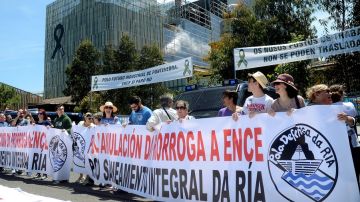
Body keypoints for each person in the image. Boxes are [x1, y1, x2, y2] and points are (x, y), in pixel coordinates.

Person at [329, 84, 359, 185]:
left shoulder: (325, 109)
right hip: (351, 141)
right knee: (355, 169)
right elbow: (354, 118)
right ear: (342, 95)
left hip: (335, 143)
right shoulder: (349, 105)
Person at [53, 104, 72, 184]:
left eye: (62, 109)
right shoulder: (56, 119)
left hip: (65, 142)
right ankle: (58, 177)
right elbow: (54, 129)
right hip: (57, 143)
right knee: (57, 160)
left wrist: (66, 130)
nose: (61, 110)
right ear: (56, 111)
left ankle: (64, 177)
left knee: (64, 160)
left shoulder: (66, 119)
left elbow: (71, 128)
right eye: (60, 109)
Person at [76, 112, 94, 185]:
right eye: (88, 117)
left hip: (89, 147)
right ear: (85, 117)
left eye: (90, 117)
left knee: (88, 162)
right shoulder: (80, 123)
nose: (89, 118)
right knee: (80, 160)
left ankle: (87, 177)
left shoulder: (93, 125)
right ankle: (81, 176)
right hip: (81, 144)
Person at [34, 109, 52, 180]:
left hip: (45, 144)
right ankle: (38, 173)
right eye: (39, 113)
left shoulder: (46, 122)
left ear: (44, 115)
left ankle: (45, 174)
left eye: (41, 113)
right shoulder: (36, 123)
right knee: (38, 158)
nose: (40, 115)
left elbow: (53, 128)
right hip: (37, 143)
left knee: (44, 158)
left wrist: (49, 127)